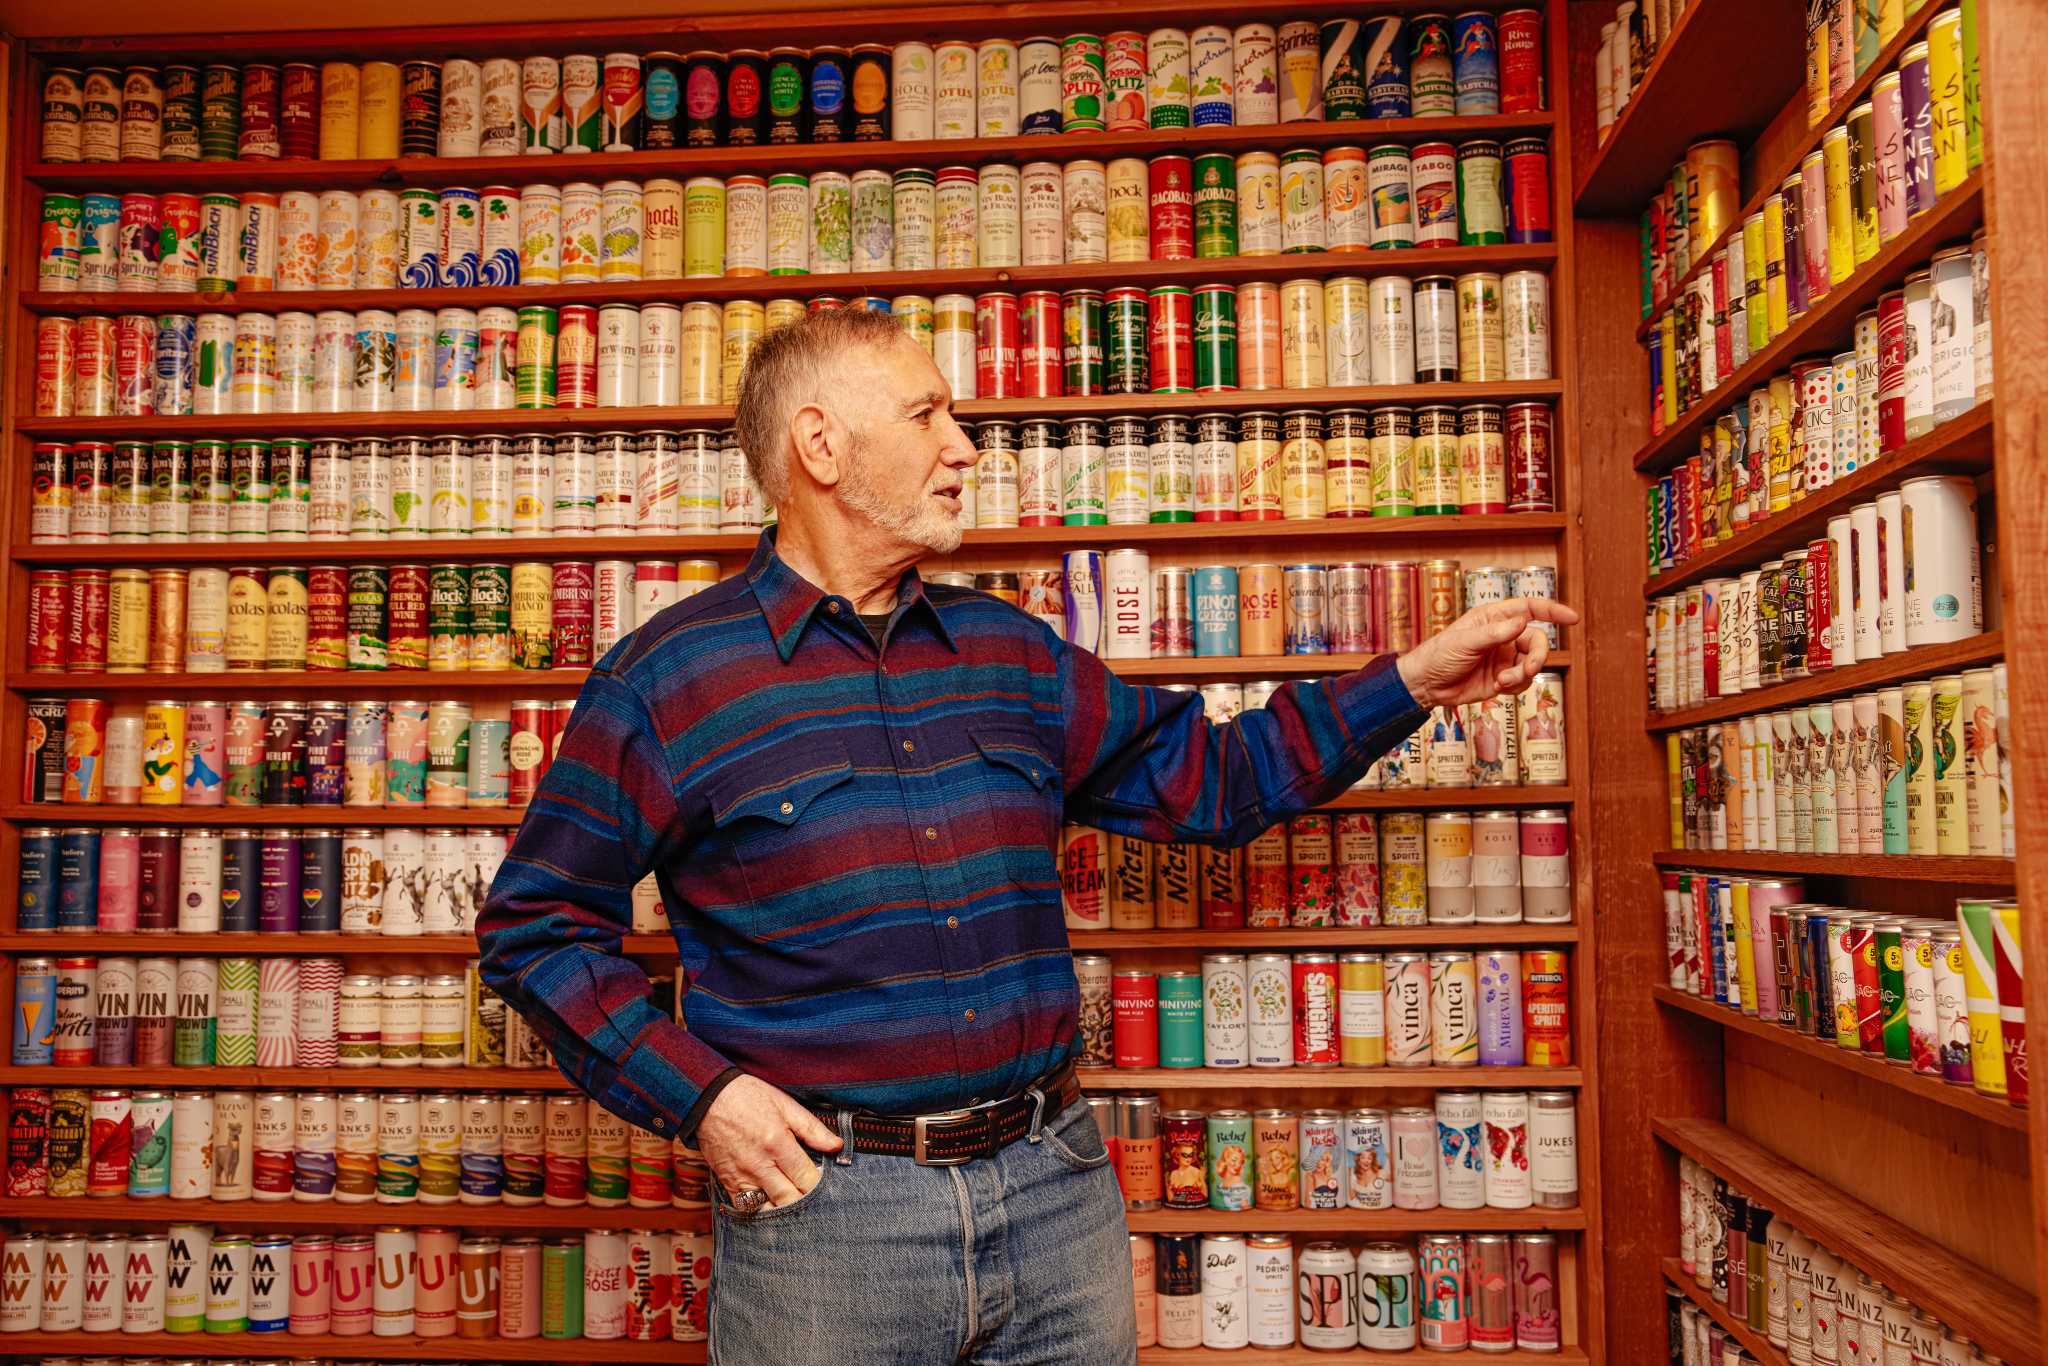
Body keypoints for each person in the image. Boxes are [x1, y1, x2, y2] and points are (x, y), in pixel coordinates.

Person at [478, 307, 1577, 1363]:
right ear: (819, 442)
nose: (964, 447)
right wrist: (703, 1094)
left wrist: (1413, 680)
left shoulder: (1009, 651)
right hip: (829, 1218)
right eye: (927, 415)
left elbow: (1220, 780)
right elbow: (535, 929)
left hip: (1055, 1191)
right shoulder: (668, 678)